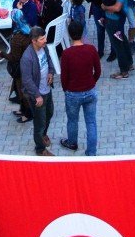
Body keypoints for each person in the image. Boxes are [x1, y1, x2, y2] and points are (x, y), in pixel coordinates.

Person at [58, 21, 102, 155]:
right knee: (91, 122)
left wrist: (66, 90)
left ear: (70, 35)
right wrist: (91, 82)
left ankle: (72, 143)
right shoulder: (91, 49)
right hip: (90, 90)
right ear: (82, 32)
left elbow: (64, 77)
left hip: (73, 93)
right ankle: (92, 151)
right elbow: (98, 71)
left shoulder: (67, 54)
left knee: (72, 120)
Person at [20, 27, 55, 156]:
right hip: (38, 95)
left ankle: (43, 135)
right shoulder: (27, 58)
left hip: (47, 89)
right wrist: (37, 96)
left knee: (49, 113)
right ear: (34, 41)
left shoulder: (43, 48)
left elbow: (49, 61)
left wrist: (51, 72)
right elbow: (27, 80)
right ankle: (40, 149)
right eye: (42, 39)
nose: (45, 40)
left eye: (44, 37)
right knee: (39, 122)